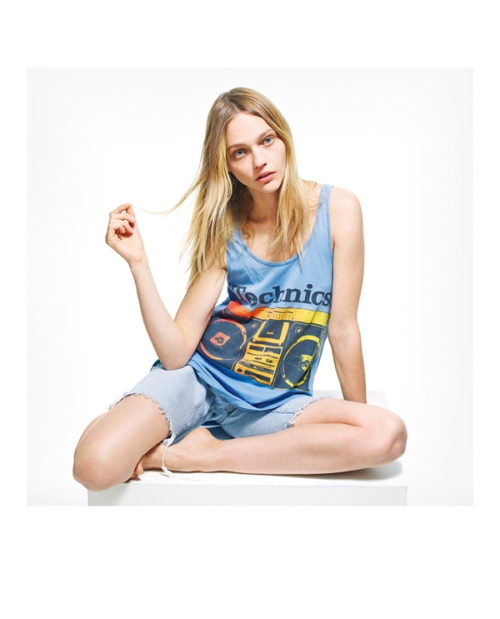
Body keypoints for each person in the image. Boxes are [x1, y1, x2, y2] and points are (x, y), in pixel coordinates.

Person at [73, 87, 407, 492]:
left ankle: (201, 454)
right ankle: (134, 422)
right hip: (200, 380)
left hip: (275, 403)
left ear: (284, 138)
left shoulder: (338, 209)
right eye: (240, 152)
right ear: (227, 165)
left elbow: (343, 329)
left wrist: (354, 426)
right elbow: (176, 353)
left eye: (266, 140)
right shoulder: (226, 225)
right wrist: (138, 263)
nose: (259, 161)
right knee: (93, 468)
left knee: (385, 435)